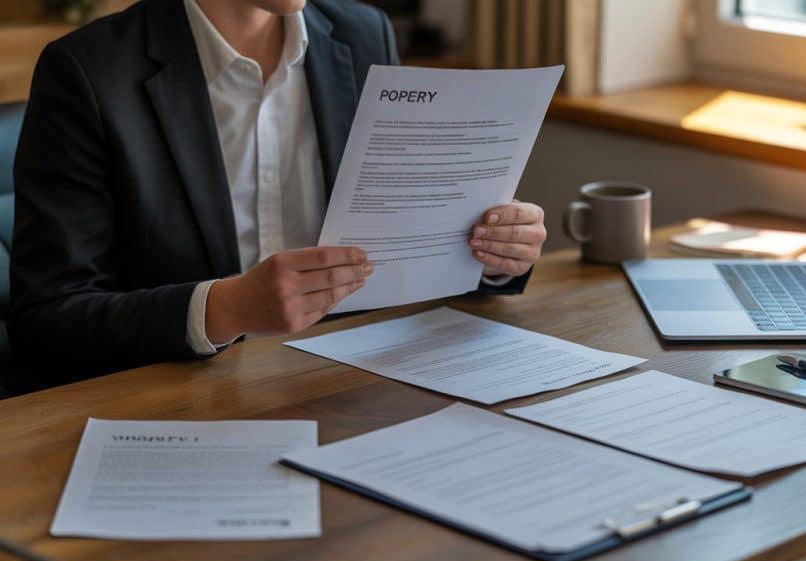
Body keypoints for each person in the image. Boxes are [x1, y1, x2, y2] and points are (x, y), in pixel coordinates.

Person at [10, 0, 547, 386]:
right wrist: (227, 308)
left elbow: (406, 242)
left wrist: (493, 253)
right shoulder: (88, 71)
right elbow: (49, 320)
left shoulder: (362, 34)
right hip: (186, 403)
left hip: (355, 384)